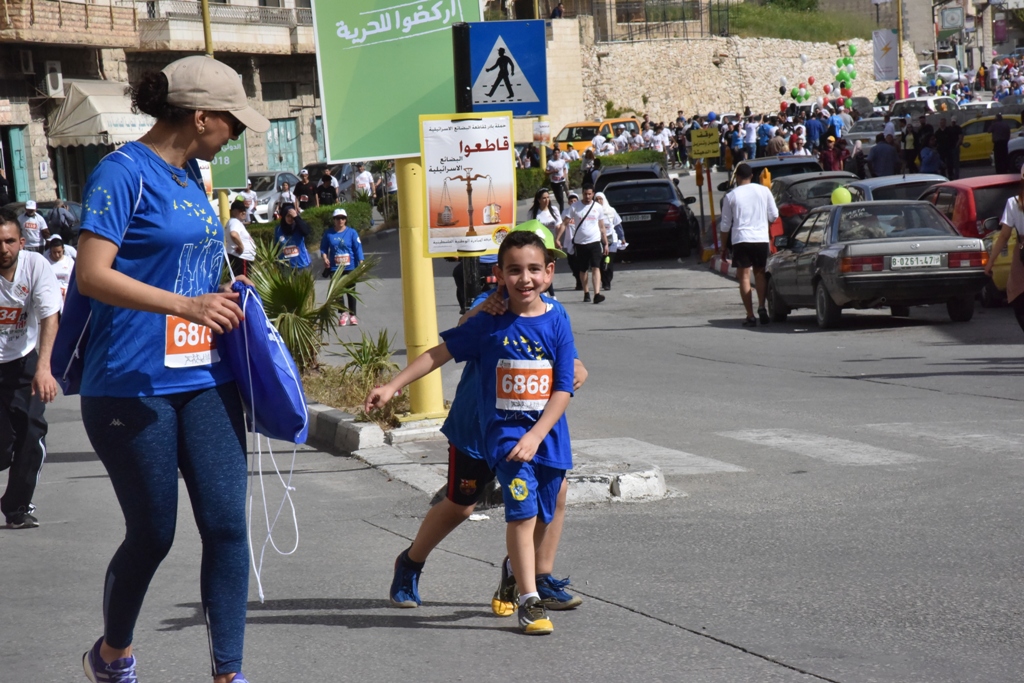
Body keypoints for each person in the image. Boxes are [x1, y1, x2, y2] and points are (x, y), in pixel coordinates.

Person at [73, 55, 269, 683]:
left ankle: (229, 674)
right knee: (154, 534)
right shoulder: (120, 172)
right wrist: (185, 304)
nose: (236, 134)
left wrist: (229, 299)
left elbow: (187, 271)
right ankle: (111, 654)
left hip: (205, 379)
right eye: (232, 123)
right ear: (202, 116)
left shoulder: (192, 179)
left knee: (226, 528)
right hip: (130, 384)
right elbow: (93, 275)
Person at [366, 228, 576, 636]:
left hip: (536, 434)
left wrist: (573, 377)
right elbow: (449, 344)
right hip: (479, 429)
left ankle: (529, 574)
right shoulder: (491, 310)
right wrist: (393, 385)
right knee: (462, 504)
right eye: (515, 270)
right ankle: (411, 562)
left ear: (550, 271)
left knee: (553, 496)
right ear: (499, 273)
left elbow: (565, 373)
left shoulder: (555, 315)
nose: (526, 278)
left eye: (535, 268)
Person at [0, 208, 60, 531]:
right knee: (2, 447)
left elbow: (50, 315)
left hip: (24, 361)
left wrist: (44, 367)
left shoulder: (36, 266)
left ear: (22, 242)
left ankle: (17, 506)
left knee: (32, 430)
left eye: (9, 241)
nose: (3, 249)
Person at [718, 163, 778, 327]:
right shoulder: (764, 191)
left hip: (741, 239)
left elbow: (725, 225)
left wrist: (723, 248)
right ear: (752, 176)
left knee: (743, 276)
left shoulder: (731, 196)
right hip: (760, 238)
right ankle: (761, 307)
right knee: (759, 273)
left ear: (737, 177)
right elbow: (774, 215)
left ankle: (750, 315)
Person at [987, 177, 1024, 332]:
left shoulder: (1014, 202)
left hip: (1022, 253)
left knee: (1018, 295)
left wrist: (990, 263)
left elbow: (1004, 236)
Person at [562, 184, 608, 304]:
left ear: (593, 194)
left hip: (595, 242)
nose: (587, 196)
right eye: (585, 194)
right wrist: (557, 238)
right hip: (580, 244)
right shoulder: (575, 207)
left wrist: (606, 243)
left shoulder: (597, 207)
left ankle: (596, 294)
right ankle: (586, 292)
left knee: (596, 267)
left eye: (589, 194)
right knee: (583, 269)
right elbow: (564, 223)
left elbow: (602, 226)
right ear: (582, 193)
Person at [319, 208, 364, 326]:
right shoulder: (328, 233)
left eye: (343, 218)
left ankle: (352, 315)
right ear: (334, 220)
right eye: (338, 218)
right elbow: (323, 248)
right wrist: (325, 258)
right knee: (338, 291)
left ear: (346, 220)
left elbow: (357, 248)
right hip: (335, 268)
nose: (340, 220)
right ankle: (343, 313)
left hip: (350, 266)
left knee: (350, 290)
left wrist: (361, 262)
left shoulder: (352, 232)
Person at [529, 188, 561, 299]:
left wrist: (558, 239)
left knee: (549, 268)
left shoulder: (554, 210)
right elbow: (530, 229)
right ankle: (549, 294)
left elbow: (559, 226)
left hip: (551, 245)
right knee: (543, 268)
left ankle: (548, 293)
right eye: (544, 198)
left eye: (548, 197)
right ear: (538, 200)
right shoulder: (533, 213)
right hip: (539, 245)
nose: (546, 200)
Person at [594, 192, 622, 290]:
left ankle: (607, 282)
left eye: (600, 199)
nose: (599, 201)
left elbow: (618, 225)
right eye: (596, 200)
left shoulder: (611, 211)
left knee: (609, 262)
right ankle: (603, 281)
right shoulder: (593, 211)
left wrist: (622, 237)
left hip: (611, 240)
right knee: (601, 263)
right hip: (598, 239)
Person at [275, 203, 311, 271]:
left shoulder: (299, 226)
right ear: (284, 216)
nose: (290, 219)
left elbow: (306, 232)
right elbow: (276, 247)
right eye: (288, 216)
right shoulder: (278, 229)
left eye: (292, 216)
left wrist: (296, 217)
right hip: (286, 267)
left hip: (302, 265)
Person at [225, 199, 256, 275]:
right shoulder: (234, 221)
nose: (244, 212)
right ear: (233, 211)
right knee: (242, 284)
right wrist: (241, 247)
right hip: (240, 258)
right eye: (241, 210)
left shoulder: (235, 222)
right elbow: (234, 234)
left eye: (244, 210)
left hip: (242, 258)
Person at [44, 235, 75, 306]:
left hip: (66, 295)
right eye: (54, 252)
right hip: (50, 295)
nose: (57, 255)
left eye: (59, 252)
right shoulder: (45, 261)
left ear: (63, 249)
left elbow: (73, 280)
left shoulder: (69, 261)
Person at [545, 148, 569, 214]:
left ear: (559, 154)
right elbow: (546, 172)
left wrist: (564, 175)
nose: (557, 154)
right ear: (553, 154)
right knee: (557, 197)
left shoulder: (562, 161)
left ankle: (562, 213)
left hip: (561, 181)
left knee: (561, 198)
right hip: (553, 182)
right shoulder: (550, 162)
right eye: (555, 153)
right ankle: (560, 209)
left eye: (558, 153)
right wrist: (553, 171)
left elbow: (564, 168)